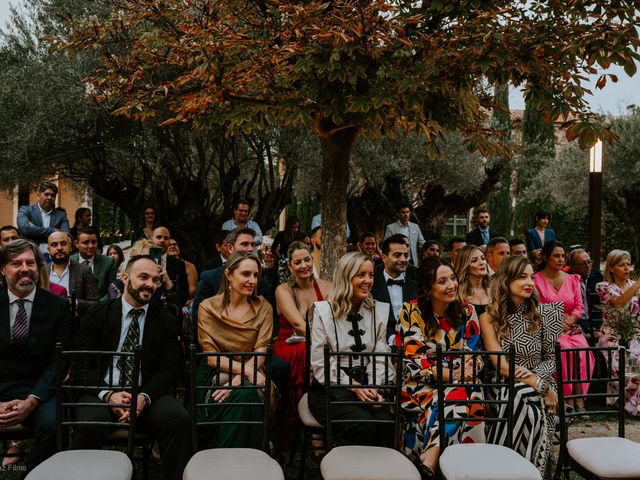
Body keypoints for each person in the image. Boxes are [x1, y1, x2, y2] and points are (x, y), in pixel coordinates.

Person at [72, 255, 191, 480]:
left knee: (179, 418)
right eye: (143, 277)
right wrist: (108, 395)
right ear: (125, 278)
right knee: (91, 423)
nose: (150, 284)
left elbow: (168, 370)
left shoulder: (165, 321)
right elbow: (80, 363)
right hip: (100, 391)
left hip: (144, 393)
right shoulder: (98, 314)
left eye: (155, 280)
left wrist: (143, 397)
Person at [400, 256, 482, 479]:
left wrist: (468, 367)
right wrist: (451, 374)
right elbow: (413, 357)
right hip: (420, 385)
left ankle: (431, 456)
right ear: (427, 288)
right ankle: (452, 467)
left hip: (461, 381)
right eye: (442, 281)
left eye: (453, 279)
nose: (451, 285)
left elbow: (474, 353)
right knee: (462, 397)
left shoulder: (467, 311)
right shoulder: (411, 311)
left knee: (462, 393)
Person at [480, 256, 562, 473]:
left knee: (524, 401)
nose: (529, 283)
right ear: (506, 281)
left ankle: (520, 470)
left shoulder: (546, 313)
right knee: (521, 401)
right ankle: (519, 470)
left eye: (531, 277)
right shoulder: (489, 317)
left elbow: (552, 358)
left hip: (540, 377)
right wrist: (539, 386)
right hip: (502, 383)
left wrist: (540, 381)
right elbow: (502, 365)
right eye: (521, 277)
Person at [0, 240, 71, 474]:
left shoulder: (58, 306)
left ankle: (30, 474)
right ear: (3, 269)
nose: (24, 268)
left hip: (39, 389)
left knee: (54, 424)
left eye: (30, 262)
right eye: (15, 263)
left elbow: (58, 361)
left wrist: (32, 400)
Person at [308, 252, 394, 447]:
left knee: (387, 423)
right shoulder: (324, 312)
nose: (368, 281)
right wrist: (354, 386)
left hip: (367, 383)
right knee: (363, 425)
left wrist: (373, 386)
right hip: (329, 389)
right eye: (361, 275)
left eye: (371, 275)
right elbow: (321, 363)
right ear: (346, 277)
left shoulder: (377, 311)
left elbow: (381, 356)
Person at [197, 251, 273, 448]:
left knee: (246, 393)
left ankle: (228, 457)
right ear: (229, 274)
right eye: (246, 274)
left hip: (254, 370)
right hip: (214, 374)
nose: (252, 280)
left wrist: (238, 380)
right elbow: (212, 357)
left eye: (256, 275)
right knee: (245, 394)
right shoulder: (208, 308)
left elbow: (261, 351)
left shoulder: (264, 308)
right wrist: (248, 372)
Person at [273, 241, 332, 440]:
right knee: (308, 353)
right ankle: (309, 425)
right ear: (290, 266)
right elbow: (299, 324)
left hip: (319, 343)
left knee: (323, 355)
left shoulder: (327, 286)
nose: (304, 265)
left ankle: (322, 420)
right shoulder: (283, 290)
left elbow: (334, 321)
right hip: (289, 344)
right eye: (297, 262)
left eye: (307, 259)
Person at [533, 240, 592, 411]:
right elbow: (535, 308)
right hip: (547, 327)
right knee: (563, 348)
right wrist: (555, 322)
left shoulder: (572, 279)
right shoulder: (535, 280)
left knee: (582, 349)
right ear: (545, 257)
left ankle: (579, 397)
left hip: (570, 326)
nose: (560, 260)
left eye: (563, 256)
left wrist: (572, 319)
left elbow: (579, 306)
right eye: (556, 256)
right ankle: (566, 399)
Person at [595, 250, 640, 414]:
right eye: (622, 265)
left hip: (635, 333)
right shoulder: (603, 286)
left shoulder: (634, 284)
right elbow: (618, 304)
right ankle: (628, 403)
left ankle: (633, 403)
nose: (627, 268)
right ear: (612, 268)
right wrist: (637, 285)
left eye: (629, 264)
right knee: (628, 360)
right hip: (612, 335)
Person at [370, 234, 417, 344]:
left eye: (406, 255)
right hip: (379, 345)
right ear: (384, 258)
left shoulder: (415, 287)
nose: (403, 259)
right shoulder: (371, 285)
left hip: (412, 345)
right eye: (397, 255)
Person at [47, 231, 99, 317]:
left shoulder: (84, 270)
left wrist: (75, 303)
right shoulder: (41, 272)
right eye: (54, 245)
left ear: (70, 247)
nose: (59, 248)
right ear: (49, 250)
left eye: (63, 244)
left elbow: (95, 304)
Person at [17, 181, 70, 255]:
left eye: (53, 195)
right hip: (30, 253)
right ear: (39, 194)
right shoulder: (26, 210)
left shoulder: (61, 215)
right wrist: (53, 231)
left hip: (54, 256)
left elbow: (66, 236)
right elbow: (25, 229)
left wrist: (34, 229)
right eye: (46, 194)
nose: (49, 197)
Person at [71, 227, 117, 301]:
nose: (91, 246)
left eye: (94, 242)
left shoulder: (108, 263)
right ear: (76, 244)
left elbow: (112, 291)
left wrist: (96, 305)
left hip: (100, 308)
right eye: (86, 242)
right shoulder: (70, 261)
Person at [151, 227, 189, 306]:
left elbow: (184, 297)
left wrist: (169, 284)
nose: (162, 240)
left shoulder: (179, 264)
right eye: (158, 237)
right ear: (152, 239)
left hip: (170, 313)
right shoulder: (142, 261)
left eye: (166, 238)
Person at [567, 248, 603, 333]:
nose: (587, 266)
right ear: (572, 265)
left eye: (589, 262)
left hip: (595, 321)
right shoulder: (566, 278)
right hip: (575, 321)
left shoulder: (597, 276)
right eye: (582, 263)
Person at [453, 245, 490, 316]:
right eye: (474, 260)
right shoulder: (457, 294)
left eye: (483, 258)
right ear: (465, 266)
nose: (482, 263)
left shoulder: (495, 290)